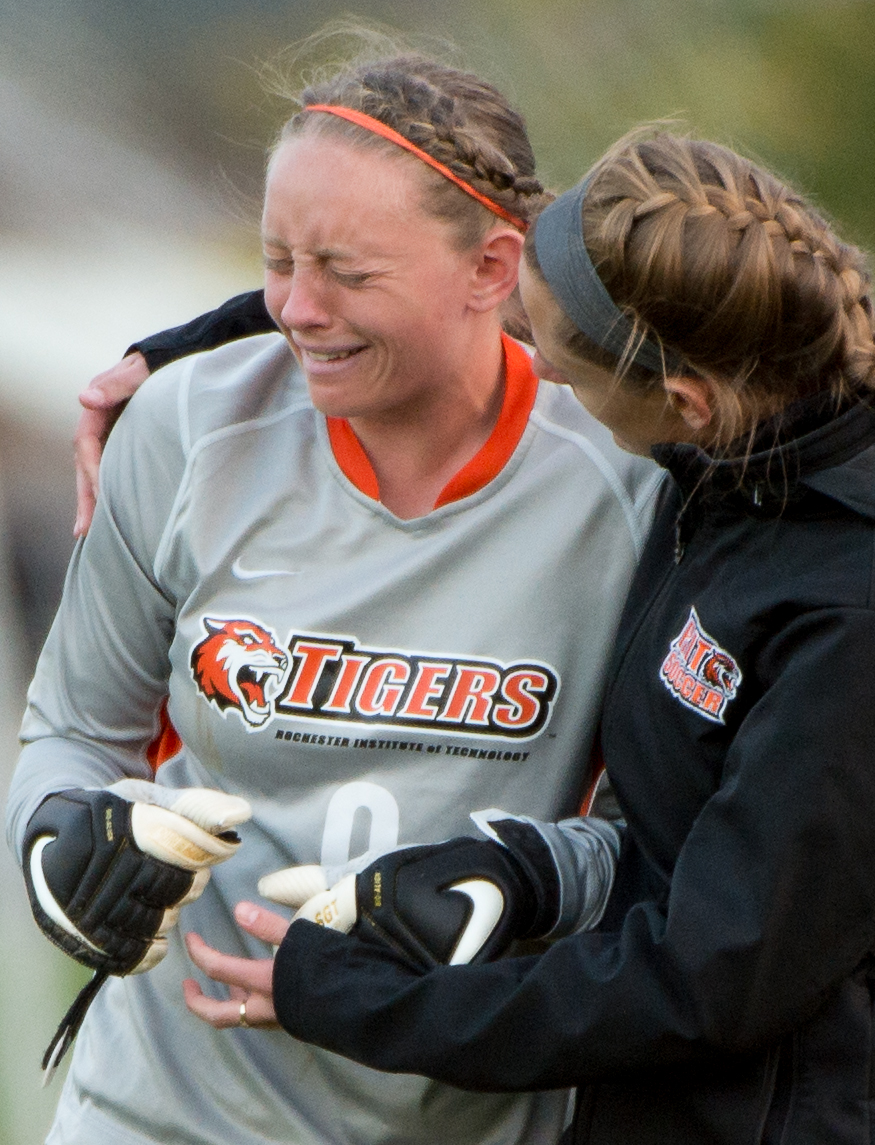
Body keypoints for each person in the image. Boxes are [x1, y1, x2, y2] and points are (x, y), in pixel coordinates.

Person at [6, 48, 660, 1145]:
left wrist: (522, 878)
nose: (296, 309)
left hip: (467, 1116)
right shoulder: (186, 426)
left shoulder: (625, 474)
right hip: (160, 1108)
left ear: (491, 265)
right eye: (277, 261)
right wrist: (57, 840)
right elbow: (73, 729)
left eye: (347, 272)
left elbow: (655, 837)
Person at [183, 132, 875, 1144]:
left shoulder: (844, 608)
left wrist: (365, 1003)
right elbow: (434, 269)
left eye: (555, 354)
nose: (532, 361)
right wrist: (518, 872)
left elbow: (708, 978)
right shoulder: (734, 465)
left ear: (678, 400)